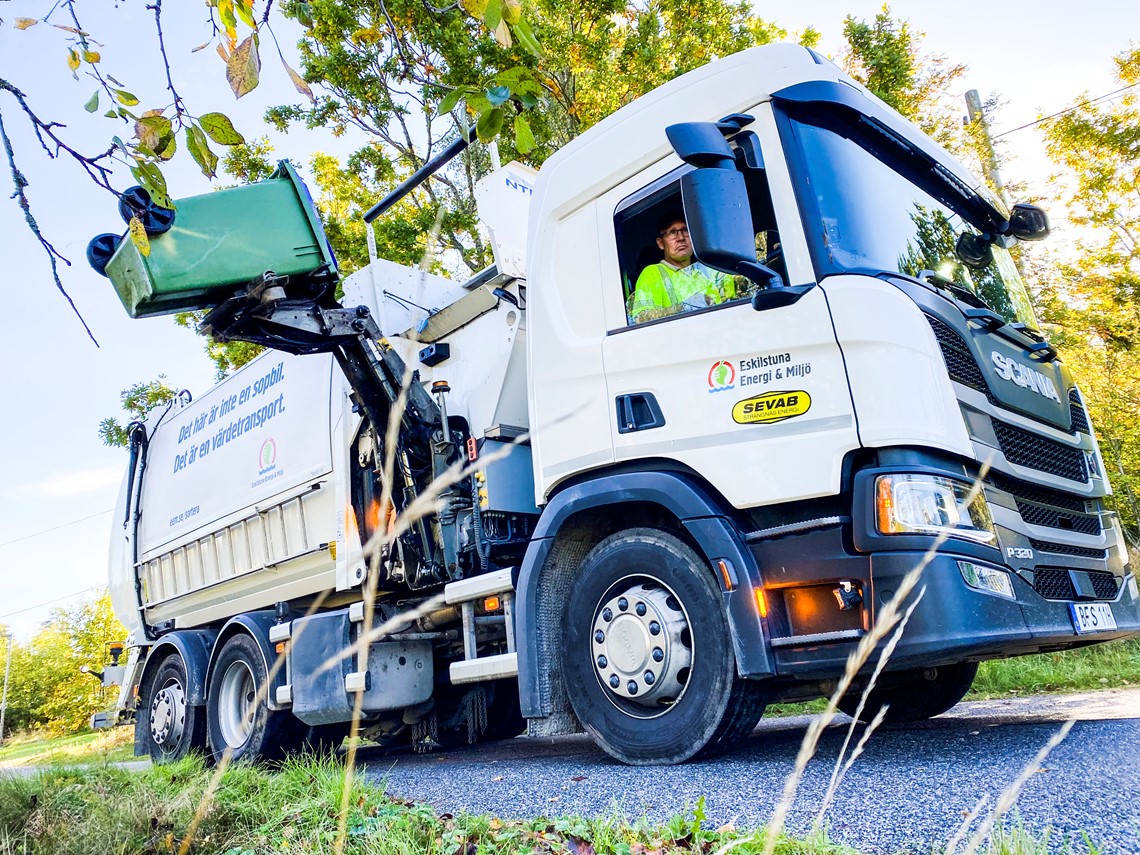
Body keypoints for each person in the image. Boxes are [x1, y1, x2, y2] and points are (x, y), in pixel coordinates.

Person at [626, 211, 736, 324]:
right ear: (661, 243)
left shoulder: (708, 271)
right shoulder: (652, 273)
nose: (681, 238)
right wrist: (685, 307)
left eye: (685, 230)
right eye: (672, 232)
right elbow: (641, 318)